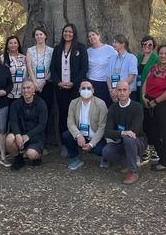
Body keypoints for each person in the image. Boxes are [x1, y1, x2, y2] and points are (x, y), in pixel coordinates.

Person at [50, 23, 89, 152]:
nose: (68, 34)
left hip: (75, 88)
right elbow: (53, 69)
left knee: (76, 115)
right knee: (63, 115)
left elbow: (84, 68)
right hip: (60, 88)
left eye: (70, 32)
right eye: (65, 31)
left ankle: (78, 142)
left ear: (74, 33)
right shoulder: (57, 49)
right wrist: (58, 82)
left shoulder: (81, 48)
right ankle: (65, 144)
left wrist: (74, 82)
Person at [142, 44, 166, 172]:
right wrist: (143, 96)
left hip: (165, 104)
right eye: (161, 53)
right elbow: (146, 81)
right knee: (153, 132)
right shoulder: (154, 67)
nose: (163, 56)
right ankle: (160, 156)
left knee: (165, 132)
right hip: (150, 102)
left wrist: (156, 101)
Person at [102, 80, 147, 185]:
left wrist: (124, 134)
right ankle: (129, 162)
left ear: (129, 91)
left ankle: (133, 172)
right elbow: (107, 131)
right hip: (122, 141)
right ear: (116, 92)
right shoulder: (113, 109)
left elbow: (135, 130)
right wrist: (122, 133)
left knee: (129, 138)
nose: (122, 92)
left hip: (138, 141)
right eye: (119, 90)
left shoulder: (137, 107)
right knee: (106, 151)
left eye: (124, 90)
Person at [62, 80, 108, 170]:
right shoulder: (73, 103)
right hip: (81, 136)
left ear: (93, 90)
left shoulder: (100, 104)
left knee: (102, 150)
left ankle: (105, 158)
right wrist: (78, 135)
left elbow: (102, 127)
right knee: (66, 135)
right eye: (83, 88)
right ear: (79, 90)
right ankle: (76, 158)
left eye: (88, 88)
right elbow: (70, 122)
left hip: (96, 137)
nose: (86, 90)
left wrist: (91, 144)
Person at [6, 80, 48, 170]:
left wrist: (28, 135)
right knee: (9, 139)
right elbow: (13, 121)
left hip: (36, 136)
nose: (26, 90)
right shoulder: (15, 104)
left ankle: (37, 157)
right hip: (20, 134)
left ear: (34, 90)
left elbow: (42, 124)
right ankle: (18, 159)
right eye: (24, 88)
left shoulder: (41, 104)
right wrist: (17, 135)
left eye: (28, 88)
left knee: (31, 154)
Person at [26, 27, 54, 145]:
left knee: (45, 112)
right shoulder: (30, 50)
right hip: (33, 86)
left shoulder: (52, 51)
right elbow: (29, 67)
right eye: (36, 35)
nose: (39, 37)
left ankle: (45, 139)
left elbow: (53, 69)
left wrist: (43, 82)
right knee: (33, 112)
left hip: (47, 85)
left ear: (45, 36)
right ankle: (32, 138)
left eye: (41, 34)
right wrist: (35, 83)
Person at [137, 34, 160, 161]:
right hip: (137, 94)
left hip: (149, 95)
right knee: (141, 123)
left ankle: (155, 149)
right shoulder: (138, 58)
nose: (147, 46)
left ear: (153, 46)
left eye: (150, 44)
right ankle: (143, 148)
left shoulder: (156, 59)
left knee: (152, 123)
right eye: (145, 44)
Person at [86, 30, 115, 106]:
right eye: (89, 36)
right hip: (90, 83)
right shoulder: (87, 51)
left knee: (104, 107)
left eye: (93, 34)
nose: (91, 37)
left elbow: (117, 65)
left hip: (104, 83)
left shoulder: (109, 49)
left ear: (99, 36)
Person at [107, 34, 138, 103]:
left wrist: (117, 90)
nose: (113, 44)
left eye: (115, 42)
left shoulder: (132, 58)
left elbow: (131, 77)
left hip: (128, 93)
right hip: (114, 94)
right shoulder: (112, 59)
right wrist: (111, 92)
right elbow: (108, 77)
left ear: (123, 44)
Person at [3, 35, 26, 105]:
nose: (13, 45)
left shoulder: (24, 58)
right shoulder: (2, 59)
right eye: (10, 43)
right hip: (8, 93)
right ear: (7, 45)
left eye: (15, 43)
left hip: (23, 93)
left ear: (18, 44)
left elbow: (28, 75)